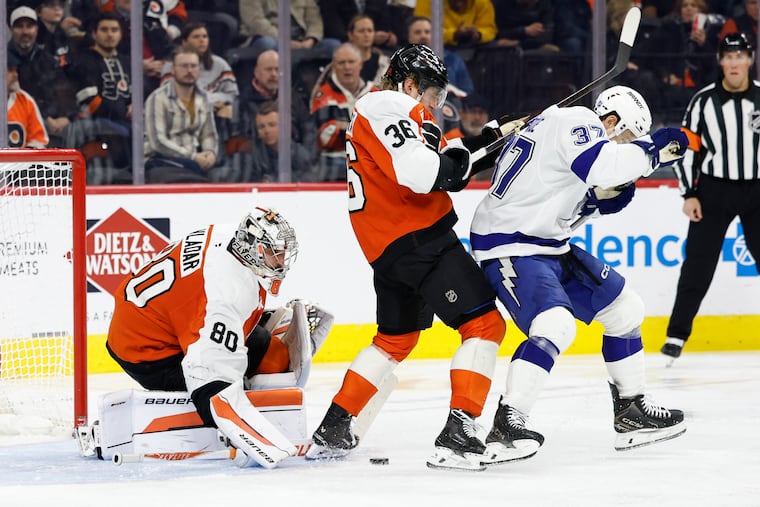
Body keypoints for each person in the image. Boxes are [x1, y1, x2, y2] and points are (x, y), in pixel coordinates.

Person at [306, 44, 508, 472]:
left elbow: (439, 163)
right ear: (410, 83)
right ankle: (459, 432)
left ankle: (335, 424)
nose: (435, 104)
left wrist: (488, 141)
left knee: (396, 339)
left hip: (391, 247)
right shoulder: (389, 104)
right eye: (432, 93)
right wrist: (465, 155)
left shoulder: (384, 113)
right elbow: (425, 174)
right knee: (484, 325)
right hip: (420, 240)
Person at [470, 85, 689, 459]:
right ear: (611, 120)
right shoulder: (578, 120)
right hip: (510, 244)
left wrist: (596, 203)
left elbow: (560, 201)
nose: (626, 148)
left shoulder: (561, 129)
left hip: (547, 243)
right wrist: (651, 150)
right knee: (555, 325)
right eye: (627, 139)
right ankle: (509, 423)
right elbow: (602, 165)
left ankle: (632, 411)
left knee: (625, 309)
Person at [105, 207, 307, 468]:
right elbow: (210, 385)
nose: (280, 261)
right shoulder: (225, 296)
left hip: (154, 318)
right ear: (253, 249)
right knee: (232, 379)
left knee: (275, 357)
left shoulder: (230, 237)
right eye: (273, 253)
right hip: (146, 351)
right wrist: (255, 439)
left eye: (281, 252)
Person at [661, 33, 760, 361]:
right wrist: (689, 193)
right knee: (698, 266)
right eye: (728, 57)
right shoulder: (703, 101)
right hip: (715, 190)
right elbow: (686, 151)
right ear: (721, 61)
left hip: (757, 189)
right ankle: (676, 335)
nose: (734, 63)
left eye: (739, 56)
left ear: (750, 59)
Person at [143, 45, 218, 182]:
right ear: (173, 69)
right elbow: (158, 142)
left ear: (199, 70)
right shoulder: (157, 98)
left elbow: (209, 134)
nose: (189, 70)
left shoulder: (204, 98)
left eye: (193, 66)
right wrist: (193, 157)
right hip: (160, 161)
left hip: (194, 161)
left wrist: (210, 153)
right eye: (184, 66)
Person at [7, 5, 78, 148]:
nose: (25, 31)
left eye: (29, 26)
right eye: (19, 26)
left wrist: (67, 117)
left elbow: (64, 91)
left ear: (37, 29)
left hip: (54, 123)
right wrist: (47, 118)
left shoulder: (47, 59)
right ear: (11, 30)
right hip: (25, 123)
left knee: (77, 129)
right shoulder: (5, 60)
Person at [71, 11, 132, 169]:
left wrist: (135, 106)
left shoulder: (127, 61)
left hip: (127, 121)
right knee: (129, 134)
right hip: (96, 122)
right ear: (94, 34)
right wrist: (123, 109)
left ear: (120, 34)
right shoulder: (84, 61)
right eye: (104, 30)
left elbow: (138, 92)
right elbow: (89, 102)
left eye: (114, 30)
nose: (110, 34)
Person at [309, 43, 378, 181]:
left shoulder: (375, 94)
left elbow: (381, 135)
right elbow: (325, 139)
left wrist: (343, 126)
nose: (347, 67)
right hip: (334, 162)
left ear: (360, 65)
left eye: (351, 62)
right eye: (341, 63)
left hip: (370, 160)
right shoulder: (323, 95)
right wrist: (363, 129)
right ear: (334, 66)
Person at [247, 100, 315, 182]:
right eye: (261, 127)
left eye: (272, 125)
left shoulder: (300, 156)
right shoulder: (253, 156)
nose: (267, 131)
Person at [238, 0, 340, 54]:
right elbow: (255, 21)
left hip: (302, 40)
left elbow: (314, 20)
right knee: (267, 44)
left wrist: (311, 39)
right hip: (270, 38)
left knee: (334, 46)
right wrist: (284, 41)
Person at [6, 52, 49, 148]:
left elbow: (39, 141)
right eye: (10, 70)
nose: (15, 75)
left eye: (16, 70)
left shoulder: (26, 101)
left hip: (20, 162)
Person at [413, 0, 497, 48]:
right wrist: (453, 35)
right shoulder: (427, 1)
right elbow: (422, 29)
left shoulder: (482, 2)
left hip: (475, 48)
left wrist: (478, 34)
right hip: (439, 49)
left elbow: (489, 29)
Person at [346, 14, 390, 86]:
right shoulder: (341, 63)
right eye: (361, 31)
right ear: (350, 35)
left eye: (370, 31)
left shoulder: (384, 64)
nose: (366, 35)